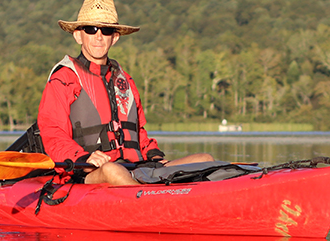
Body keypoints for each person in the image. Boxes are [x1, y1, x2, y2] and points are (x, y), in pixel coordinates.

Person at [39, 0, 212, 185]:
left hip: (136, 168)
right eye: (91, 29)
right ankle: (150, 206)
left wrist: (155, 157)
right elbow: (52, 132)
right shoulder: (64, 78)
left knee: (204, 159)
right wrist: (83, 157)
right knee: (112, 170)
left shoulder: (125, 81)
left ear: (115, 37)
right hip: (89, 172)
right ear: (78, 36)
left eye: (105, 31)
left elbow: (139, 134)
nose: (99, 36)